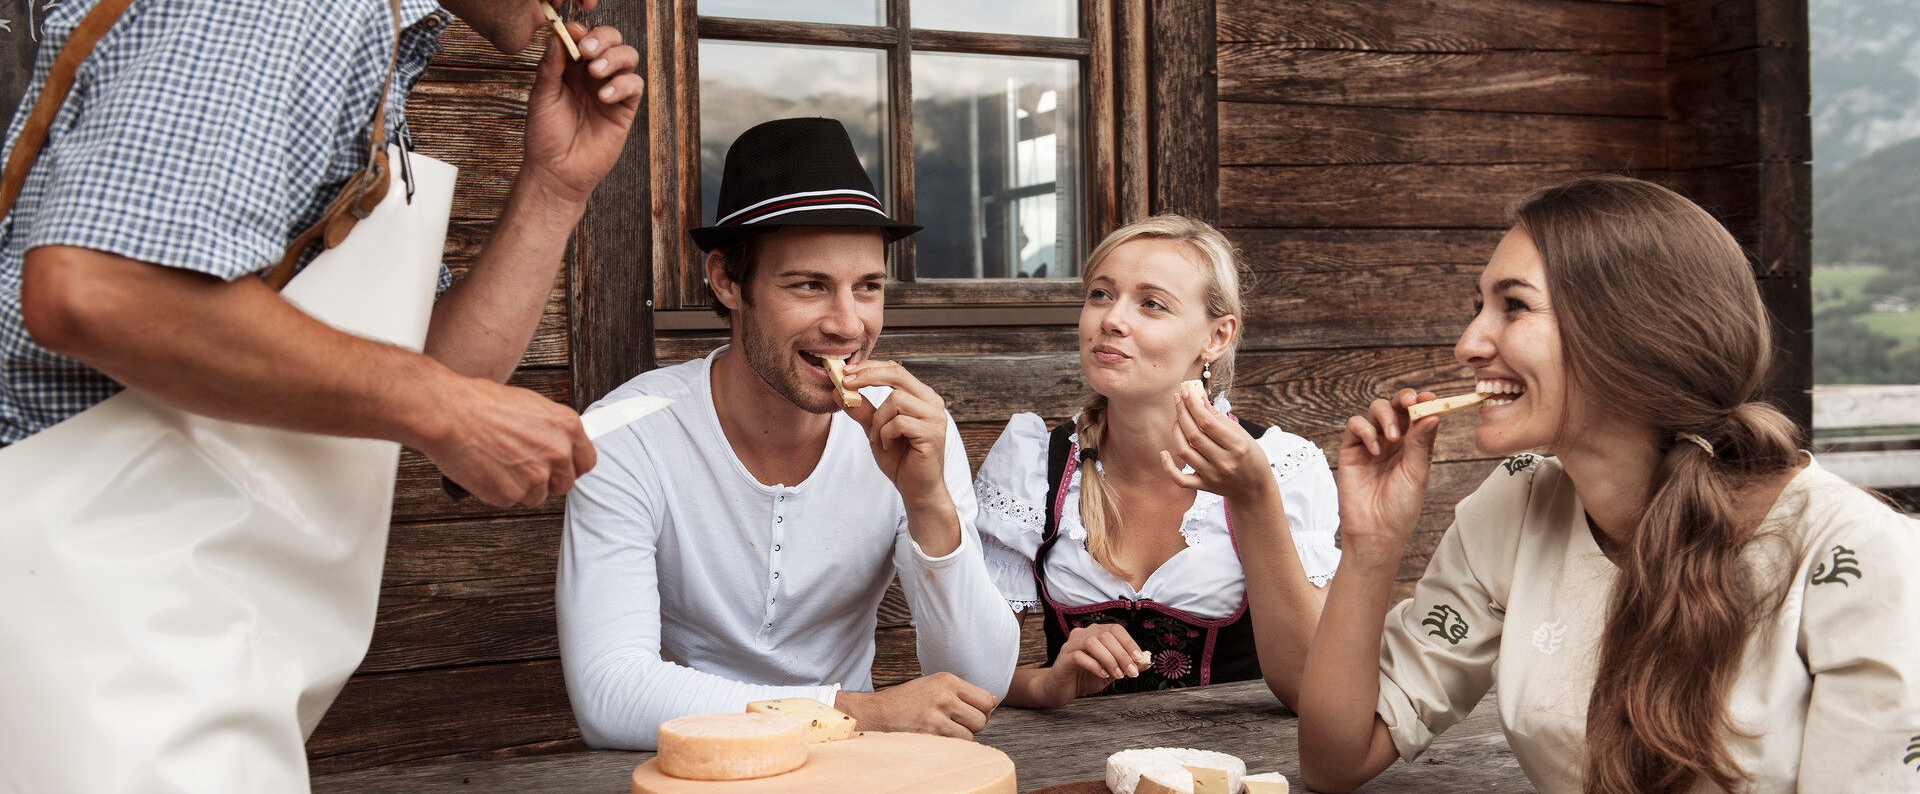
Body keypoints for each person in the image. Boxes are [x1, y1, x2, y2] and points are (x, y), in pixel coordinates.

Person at [1297, 176, 1920, 793]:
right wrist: (1372, 543)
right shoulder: (1515, 505)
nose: (1468, 344)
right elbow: (1336, 759)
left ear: (1631, 330)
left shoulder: (1859, 555)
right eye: (1478, 306)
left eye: (1514, 305)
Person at [3, 0, 644, 507]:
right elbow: (99, 291)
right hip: (72, 551)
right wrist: (444, 408)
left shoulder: (373, 33)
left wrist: (556, 187)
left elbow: (435, 367)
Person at [556, 117, 1020, 750]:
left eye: (868, 287)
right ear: (726, 281)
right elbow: (610, 696)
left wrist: (929, 502)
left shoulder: (908, 432)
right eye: (809, 285)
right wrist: (859, 713)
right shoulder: (624, 436)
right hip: (698, 773)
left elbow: (978, 682)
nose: (848, 324)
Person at [973, 214, 1340, 710]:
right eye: (1101, 294)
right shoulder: (1037, 465)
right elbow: (971, 675)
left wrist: (1254, 496)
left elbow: (1313, 690)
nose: (1112, 319)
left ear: (1216, 337)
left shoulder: (1280, 465)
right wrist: (1049, 683)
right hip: (1077, 768)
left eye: (1151, 304)